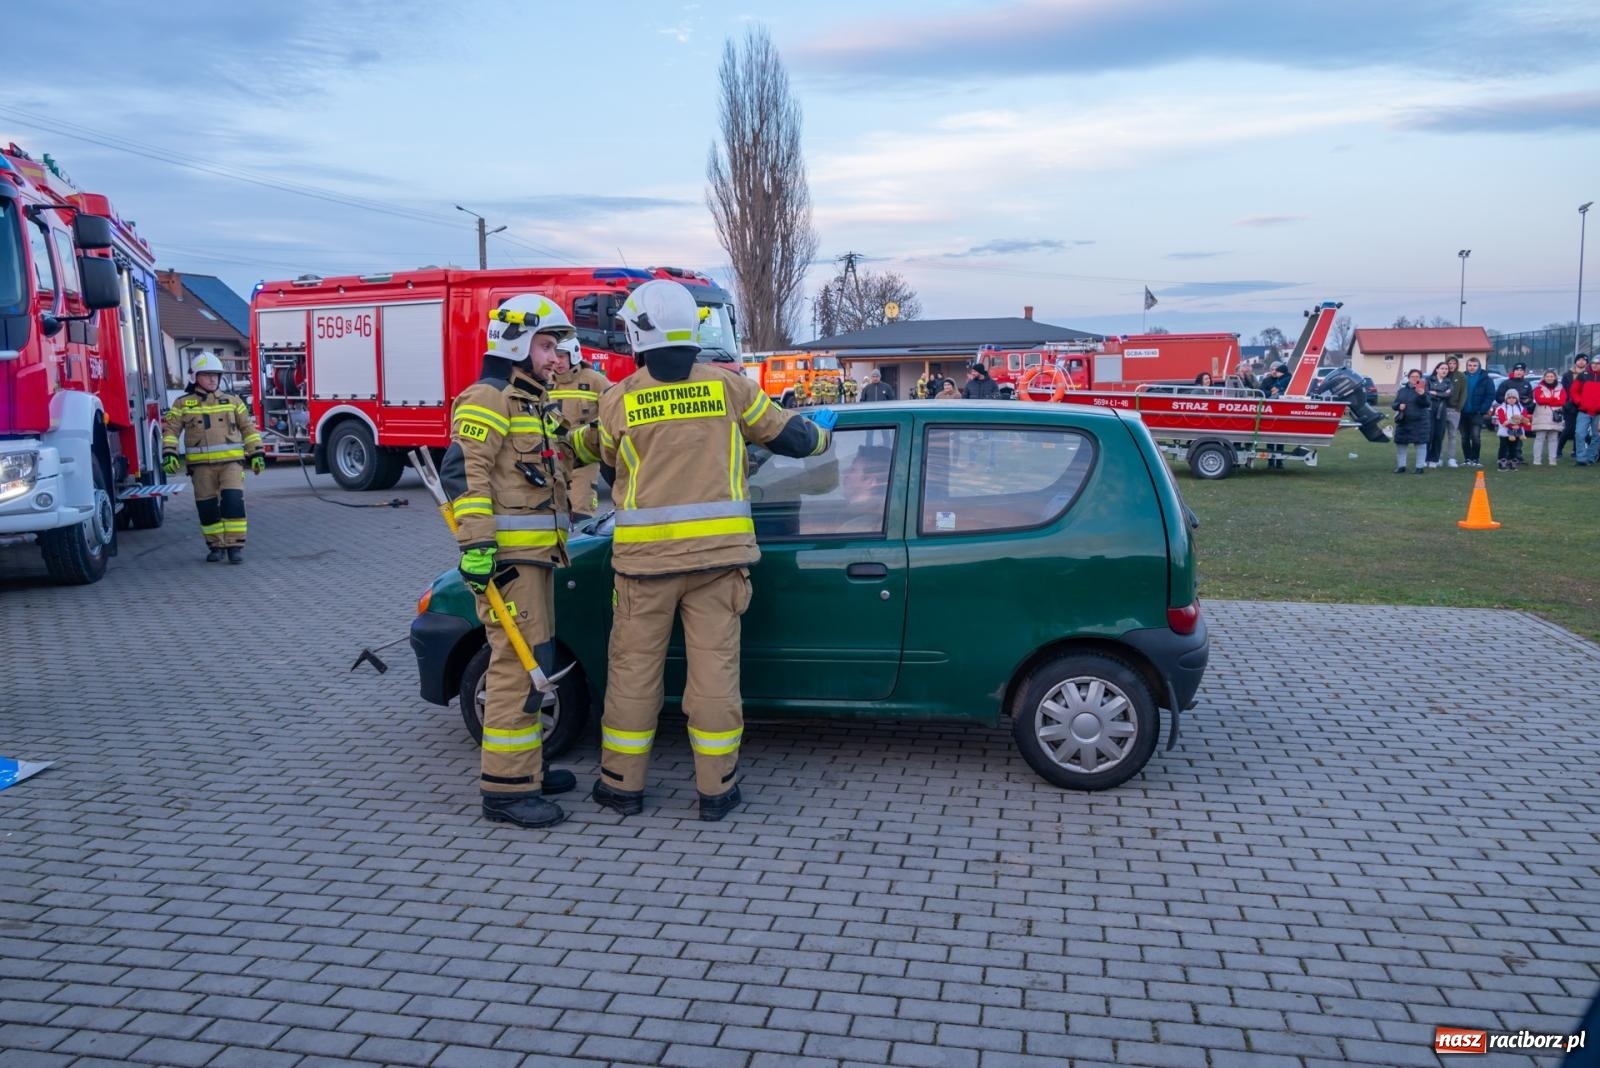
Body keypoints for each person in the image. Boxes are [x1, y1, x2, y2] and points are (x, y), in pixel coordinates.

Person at [590, 280, 832, 821]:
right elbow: (793, 440)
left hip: (643, 570)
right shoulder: (731, 389)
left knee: (633, 676)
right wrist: (824, 436)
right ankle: (716, 791)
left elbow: (609, 466)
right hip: (718, 566)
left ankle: (621, 788)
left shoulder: (619, 398)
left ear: (637, 333)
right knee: (715, 677)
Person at [440, 293, 584, 829]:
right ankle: (504, 789)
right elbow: (463, 473)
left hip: (536, 558)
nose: (555, 358)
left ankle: (528, 768)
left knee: (537, 664)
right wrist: (476, 545)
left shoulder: (530, 402)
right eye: (547, 345)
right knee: (514, 669)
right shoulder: (488, 398)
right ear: (517, 343)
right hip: (507, 562)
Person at [161, 353, 266, 564]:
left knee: (233, 502)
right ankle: (215, 545)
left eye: (216, 375)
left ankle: (234, 546)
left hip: (232, 464)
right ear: (195, 377)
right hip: (201, 468)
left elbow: (248, 428)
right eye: (207, 375)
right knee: (207, 507)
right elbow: (171, 430)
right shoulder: (182, 404)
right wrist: (170, 453)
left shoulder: (233, 402)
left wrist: (256, 453)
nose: (212, 380)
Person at [548, 336, 609, 519]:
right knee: (555, 513)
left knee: (580, 512)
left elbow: (612, 413)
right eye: (554, 356)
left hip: (583, 459)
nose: (557, 362)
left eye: (562, 356)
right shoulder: (545, 381)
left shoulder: (595, 381)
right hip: (554, 458)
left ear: (573, 355)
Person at [1392, 368, 1431, 474]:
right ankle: (1401, 466)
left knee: (1420, 445)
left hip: (1420, 422)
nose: (1415, 378)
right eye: (1412, 376)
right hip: (1403, 421)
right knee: (1401, 445)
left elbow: (1427, 404)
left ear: (1420, 378)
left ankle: (1419, 467)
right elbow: (1394, 405)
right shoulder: (1402, 391)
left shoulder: (1423, 390)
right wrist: (1399, 406)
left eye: (1417, 377)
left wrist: (1422, 395)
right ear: (1408, 378)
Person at [1460, 355, 1495, 468]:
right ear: (1466, 366)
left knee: (1475, 436)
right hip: (1463, 412)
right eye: (1470, 365)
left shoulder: (1486, 379)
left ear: (1479, 366)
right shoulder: (1462, 377)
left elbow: (1490, 396)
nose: (1472, 367)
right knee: (1464, 437)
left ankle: (1475, 459)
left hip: (1477, 412)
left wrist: (1482, 410)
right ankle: (1467, 459)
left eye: (1474, 365)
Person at [1497, 362, 1533, 465]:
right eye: (1517, 370)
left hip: (1520, 413)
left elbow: (1531, 398)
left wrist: (1526, 404)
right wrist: (1508, 402)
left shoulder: (1527, 384)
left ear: (1524, 372)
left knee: (1518, 436)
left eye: (1521, 370)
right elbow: (1498, 397)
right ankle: (1505, 457)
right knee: (1506, 438)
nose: (1519, 372)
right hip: (1508, 414)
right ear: (1513, 371)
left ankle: (1517, 457)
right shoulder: (1506, 383)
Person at [1530, 371, 1566, 466]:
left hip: (1555, 417)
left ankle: (1552, 460)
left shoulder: (1561, 388)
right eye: (1547, 376)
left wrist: (1548, 400)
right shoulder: (1538, 388)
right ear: (1544, 377)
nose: (1549, 378)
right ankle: (1537, 460)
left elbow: (1562, 401)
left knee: (1553, 439)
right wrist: (1554, 399)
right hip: (1541, 416)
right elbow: (1539, 400)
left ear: (1555, 377)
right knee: (1539, 438)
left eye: (1552, 376)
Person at [1260, 362, 1291, 469]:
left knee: (1281, 437)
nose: (1274, 371)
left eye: (1276, 369)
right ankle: (1270, 461)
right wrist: (1270, 394)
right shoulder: (1266, 380)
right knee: (1270, 437)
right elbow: (1261, 391)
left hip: (1282, 411)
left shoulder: (1285, 379)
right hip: (1269, 412)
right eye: (1272, 369)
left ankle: (1279, 461)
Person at [1557, 354, 1588, 459]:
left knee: (1579, 430)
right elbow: (1564, 390)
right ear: (1575, 362)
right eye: (1579, 360)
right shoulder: (1567, 375)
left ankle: (1575, 451)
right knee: (1569, 428)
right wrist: (1565, 403)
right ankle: (1558, 450)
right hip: (1570, 406)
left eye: (1584, 360)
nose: (1581, 362)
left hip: (1584, 406)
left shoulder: (1589, 375)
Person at [1571, 359, 1600, 466]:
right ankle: (1581, 458)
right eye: (1593, 363)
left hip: (1598, 413)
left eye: (1598, 363)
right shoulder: (1583, 375)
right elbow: (1574, 391)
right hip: (1584, 411)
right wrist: (1580, 402)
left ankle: (1590, 457)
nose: (1595, 365)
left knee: (1597, 436)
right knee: (1579, 433)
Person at [1424, 362, 1453, 468]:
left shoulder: (1448, 382)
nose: (1444, 370)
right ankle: (1424, 458)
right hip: (1430, 409)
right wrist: (1442, 393)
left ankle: (1434, 459)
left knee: (1438, 435)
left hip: (1442, 410)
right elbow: (1427, 393)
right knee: (1428, 434)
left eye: (1446, 369)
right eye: (1442, 368)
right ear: (1437, 369)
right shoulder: (1429, 380)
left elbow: (1448, 394)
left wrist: (1436, 393)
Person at [1493, 388, 1527, 470]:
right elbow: (1502, 421)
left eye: (1513, 398)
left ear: (1517, 399)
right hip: (1504, 431)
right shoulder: (1501, 408)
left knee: (1514, 447)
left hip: (1517, 432)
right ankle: (1502, 462)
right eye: (1509, 398)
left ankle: (1512, 461)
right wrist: (1511, 426)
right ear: (1506, 399)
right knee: (1503, 447)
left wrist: (1519, 425)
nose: (1511, 400)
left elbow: (1524, 419)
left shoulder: (1521, 408)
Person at [1442, 355, 1466, 467]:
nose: (1451, 366)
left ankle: (1451, 458)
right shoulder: (1443, 374)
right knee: (1440, 434)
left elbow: (1463, 393)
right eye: (1449, 363)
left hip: (1454, 409)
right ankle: (1438, 457)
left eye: (1454, 363)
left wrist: (1458, 408)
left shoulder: (1460, 376)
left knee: (1452, 435)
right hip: (1441, 409)